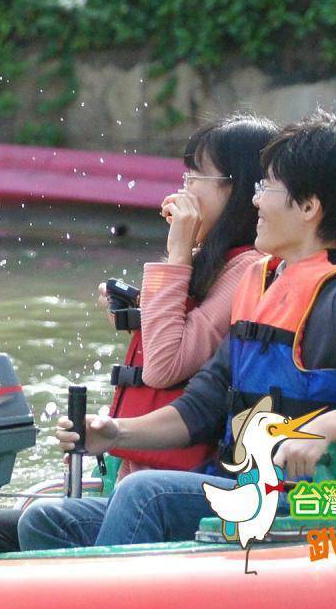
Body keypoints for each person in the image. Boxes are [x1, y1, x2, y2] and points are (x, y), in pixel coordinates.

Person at [19, 109, 336, 550]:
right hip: (236, 490)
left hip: (297, 503)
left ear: (308, 208)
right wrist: (115, 433)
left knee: (145, 492)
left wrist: (323, 429)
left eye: (266, 187)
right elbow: (201, 407)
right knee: (46, 521)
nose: (254, 201)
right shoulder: (261, 282)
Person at [104, 114, 276, 477]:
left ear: (238, 189)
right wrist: (136, 312)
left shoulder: (249, 269)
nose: (185, 190)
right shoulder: (217, 261)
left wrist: (179, 252)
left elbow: (164, 367)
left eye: (197, 178)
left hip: (184, 479)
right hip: (143, 470)